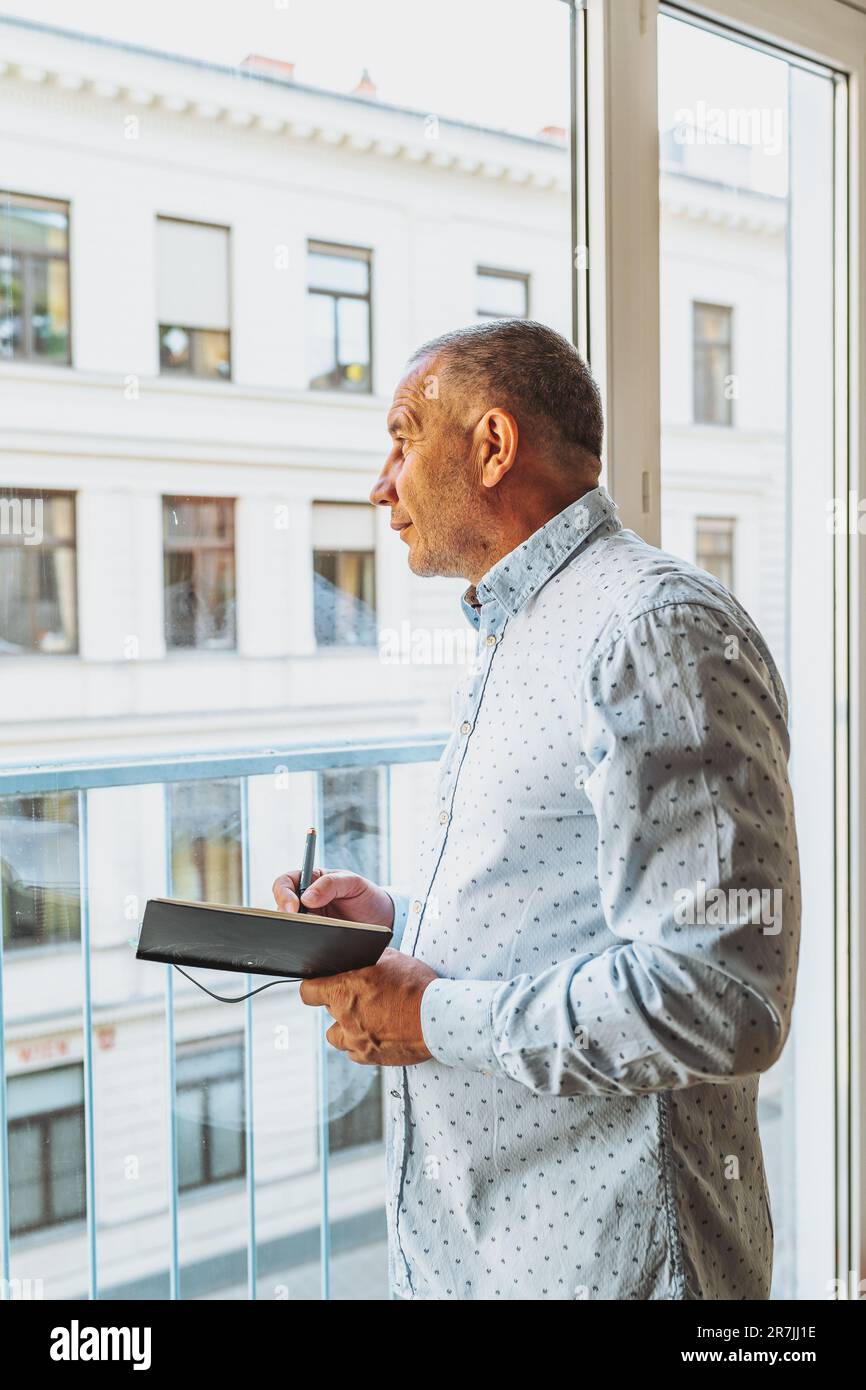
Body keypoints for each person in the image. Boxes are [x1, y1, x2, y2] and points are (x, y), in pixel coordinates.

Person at [273, 319, 801, 1301]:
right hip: (483, 1251)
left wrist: (429, 1014)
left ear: (490, 444)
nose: (379, 484)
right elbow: (569, 897)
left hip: (609, 1266)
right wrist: (397, 922)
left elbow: (719, 999)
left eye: (400, 436)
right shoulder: (525, 628)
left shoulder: (649, 629)